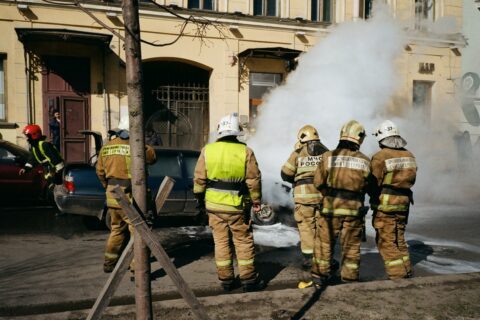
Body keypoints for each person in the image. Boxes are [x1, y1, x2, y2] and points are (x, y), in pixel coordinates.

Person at [193, 112, 265, 293]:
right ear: (236, 131)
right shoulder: (246, 151)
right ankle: (249, 279)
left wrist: (199, 199)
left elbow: (199, 179)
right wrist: (256, 201)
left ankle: (226, 280)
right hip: (237, 206)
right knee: (242, 241)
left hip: (213, 206)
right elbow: (253, 180)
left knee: (221, 242)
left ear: (220, 131)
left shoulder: (207, 150)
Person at [311, 120, 371, 286]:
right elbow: (369, 186)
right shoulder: (365, 161)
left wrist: (329, 195)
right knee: (351, 247)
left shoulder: (328, 157)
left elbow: (318, 182)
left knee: (324, 244)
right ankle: (349, 280)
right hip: (354, 212)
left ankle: (319, 277)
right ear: (359, 138)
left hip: (330, 210)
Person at [96, 119, 156, 273]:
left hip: (112, 195)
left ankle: (109, 263)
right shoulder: (137, 145)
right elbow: (152, 158)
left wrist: (108, 187)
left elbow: (100, 172)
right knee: (137, 232)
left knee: (116, 230)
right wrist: (145, 142)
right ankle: (137, 268)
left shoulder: (106, 147)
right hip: (131, 197)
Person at [370, 120, 417, 279]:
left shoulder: (380, 157)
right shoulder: (409, 154)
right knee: (399, 239)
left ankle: (398, 276)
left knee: (386, 241)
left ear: (381, 138)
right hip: (404, 204)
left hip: (386, 205)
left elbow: (373, 182)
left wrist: (371, 198)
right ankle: (407, 270)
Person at [281, 125, 328, 270]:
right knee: (322, 228)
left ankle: (310, 260)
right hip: (323, 197)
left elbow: (285, 173)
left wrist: (296, 180)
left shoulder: (298, 153)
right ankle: (324, 258)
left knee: (307, 228)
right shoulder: (328, 153)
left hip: (304, 198)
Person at [19, 124, 64, 191]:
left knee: (54, 194)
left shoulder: (44, 145)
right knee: (48, 194)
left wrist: (57, 177)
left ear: (33, 135)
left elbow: (56, 160)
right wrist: (26, 168)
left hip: (56, 175)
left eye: (27, 136)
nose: (26, 138)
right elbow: (32, 159)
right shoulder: (34, 147)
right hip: (49, 174)